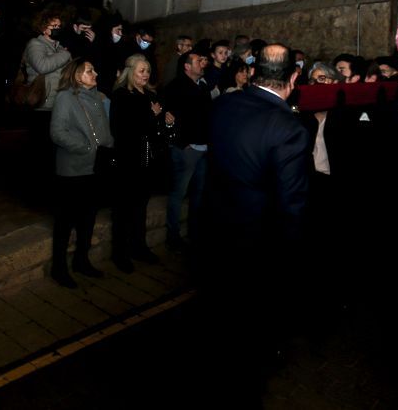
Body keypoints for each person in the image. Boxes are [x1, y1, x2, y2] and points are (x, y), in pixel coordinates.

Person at [200, 44, 310, 403]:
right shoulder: (288, 127)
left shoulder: (224, 104)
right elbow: (291, 204)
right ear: (293, 78)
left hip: (217, 228)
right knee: (254, 327)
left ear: (252, 70)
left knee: (223, 311)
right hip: (258, 244)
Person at [49, 59, 114, 288]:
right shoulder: (66, 98)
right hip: (73, 171)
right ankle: (59, 268)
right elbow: (57, 133)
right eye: (89, 71)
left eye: (94, 69)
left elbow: (103, 129)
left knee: (88, 220)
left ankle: (81, 261)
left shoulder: (97, 97)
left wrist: (108, 144)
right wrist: (86, 147)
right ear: (77, 76)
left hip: (95, 169)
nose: (95, 73)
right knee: (65, 223)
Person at [108, 54, 164, 273]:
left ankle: (139, 247)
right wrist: (152, 117)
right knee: (123, 210)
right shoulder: (121, 96)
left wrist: (162, 119)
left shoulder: (150, 95)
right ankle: (119, 253)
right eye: (141, 70)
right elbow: (124, 130)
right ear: (130, 71)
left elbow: (153, 127)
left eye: (148, 71)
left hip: (147, 159)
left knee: (141, 208)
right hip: (127, 161)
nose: (145, 74)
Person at [162, 50, 211, 252]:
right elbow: (167, 115)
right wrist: (183, 143)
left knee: (198, 193)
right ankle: (173, 236)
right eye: (198, 61)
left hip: (203, 147)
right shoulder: (176, 86)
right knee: (178, 193)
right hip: (187, 149)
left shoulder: (203, 85)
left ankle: (194, 232)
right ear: (187, 66)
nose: (202, 63)